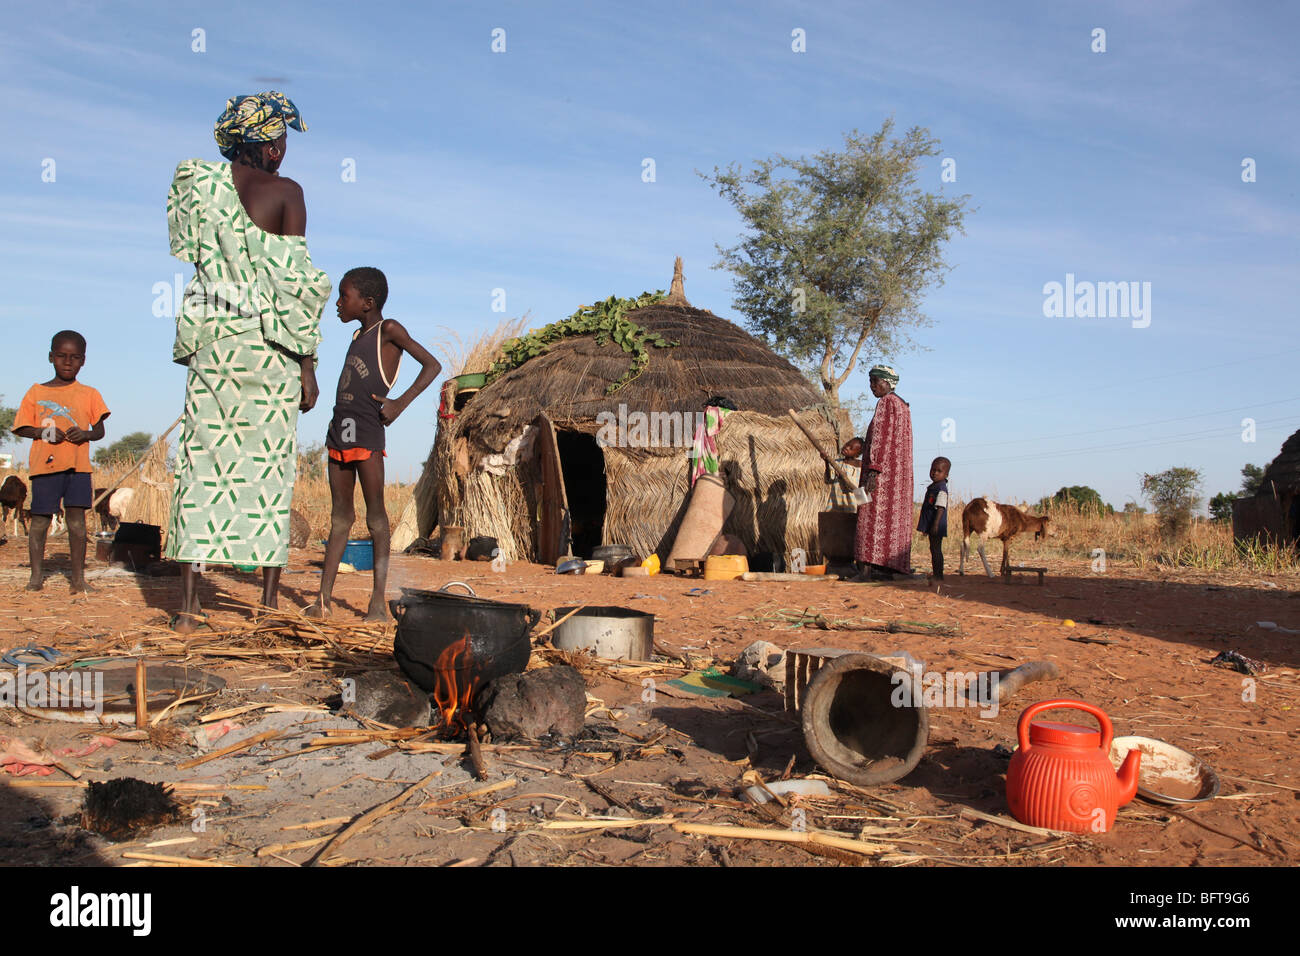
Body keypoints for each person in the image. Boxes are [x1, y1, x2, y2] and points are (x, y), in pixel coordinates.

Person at [165, 92, 331, 632]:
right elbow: (296, 284)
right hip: (270, 349)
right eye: (277, 138)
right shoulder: (287, 194)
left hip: (215, 342)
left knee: (201, 468)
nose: (283, 150)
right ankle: (264, 607)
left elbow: (188, 249)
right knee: (267, 474)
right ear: (258, 142)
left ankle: (188, 612)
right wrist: (307, 364)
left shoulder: (197, 184)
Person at [307, 267, 441, 620]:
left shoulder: (389, 330)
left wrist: (399, 403)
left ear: (366, 303)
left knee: (377, 517)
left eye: (343, 296)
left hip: (367, 431)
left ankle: (378, 603)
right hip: (340, 430)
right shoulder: (356, 336)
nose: (337, 303)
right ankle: (322, 601)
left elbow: (432, 365)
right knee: (339, 518)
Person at [11, 331, 110, 594]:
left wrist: (86, 434)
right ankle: (35, 578)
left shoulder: (89, 394)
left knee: (77, 523)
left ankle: (78, 580)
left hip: (78, 469)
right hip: (45, 468)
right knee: (40, 521)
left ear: (83, 361)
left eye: (75, 357)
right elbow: (21, 427)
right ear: (51, 357)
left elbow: (99, 431)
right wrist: (43, 432)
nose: (68, 362)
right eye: (62, 356)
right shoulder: (36, 391)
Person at [839, 365, 914, 580]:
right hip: (898, 479)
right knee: (894, 523)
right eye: (870, 382)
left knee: (870, 518)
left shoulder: (886, 403)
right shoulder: (903, 406)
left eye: (875, 382)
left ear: (887, 383)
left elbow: (880, 441)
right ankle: (890, 569)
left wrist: (873, 471)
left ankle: (866, 571)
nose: (872, 387)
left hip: (880, 476)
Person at [917, 456, 951, 579]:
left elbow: (941, 507)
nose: (935, 473)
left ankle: (938, 575)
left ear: (946, 474)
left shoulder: (941, 488)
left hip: (936, 525)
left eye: (939, 471)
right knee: (933, 548)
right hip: (932, 523)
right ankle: (937, 573)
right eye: (933, 470)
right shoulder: (934, 486)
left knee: (936, 549)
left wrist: (935, 525)